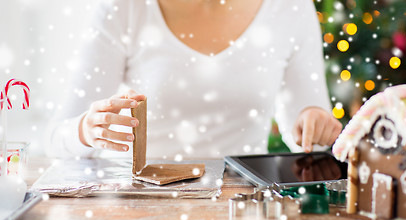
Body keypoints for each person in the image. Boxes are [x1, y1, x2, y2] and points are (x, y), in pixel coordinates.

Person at [45, 0, 342, 159]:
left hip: (242, 207)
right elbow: (55, 139)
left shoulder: (291, 7)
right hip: (138, 206)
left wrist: (313, 123)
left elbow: (305, 135)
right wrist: (85, 130)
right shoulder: (123, 7)